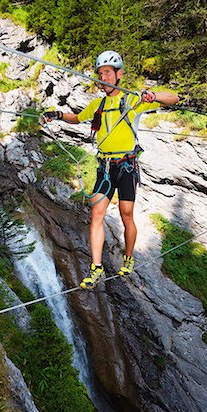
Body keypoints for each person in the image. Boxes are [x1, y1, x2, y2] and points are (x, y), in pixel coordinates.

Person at [44, 50, 179, 289]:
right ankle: (96, 268)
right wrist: (57, 114)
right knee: (96, 215)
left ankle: (128, 258)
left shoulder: (132, 100)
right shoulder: (97, 104)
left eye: (107, 73)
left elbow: (174, 98)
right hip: (105, 167)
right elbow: (77, 118)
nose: (103, 77)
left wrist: (152, 95)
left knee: (127, 215)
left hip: (126, 166)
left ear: (119, 75)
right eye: (100, 73)